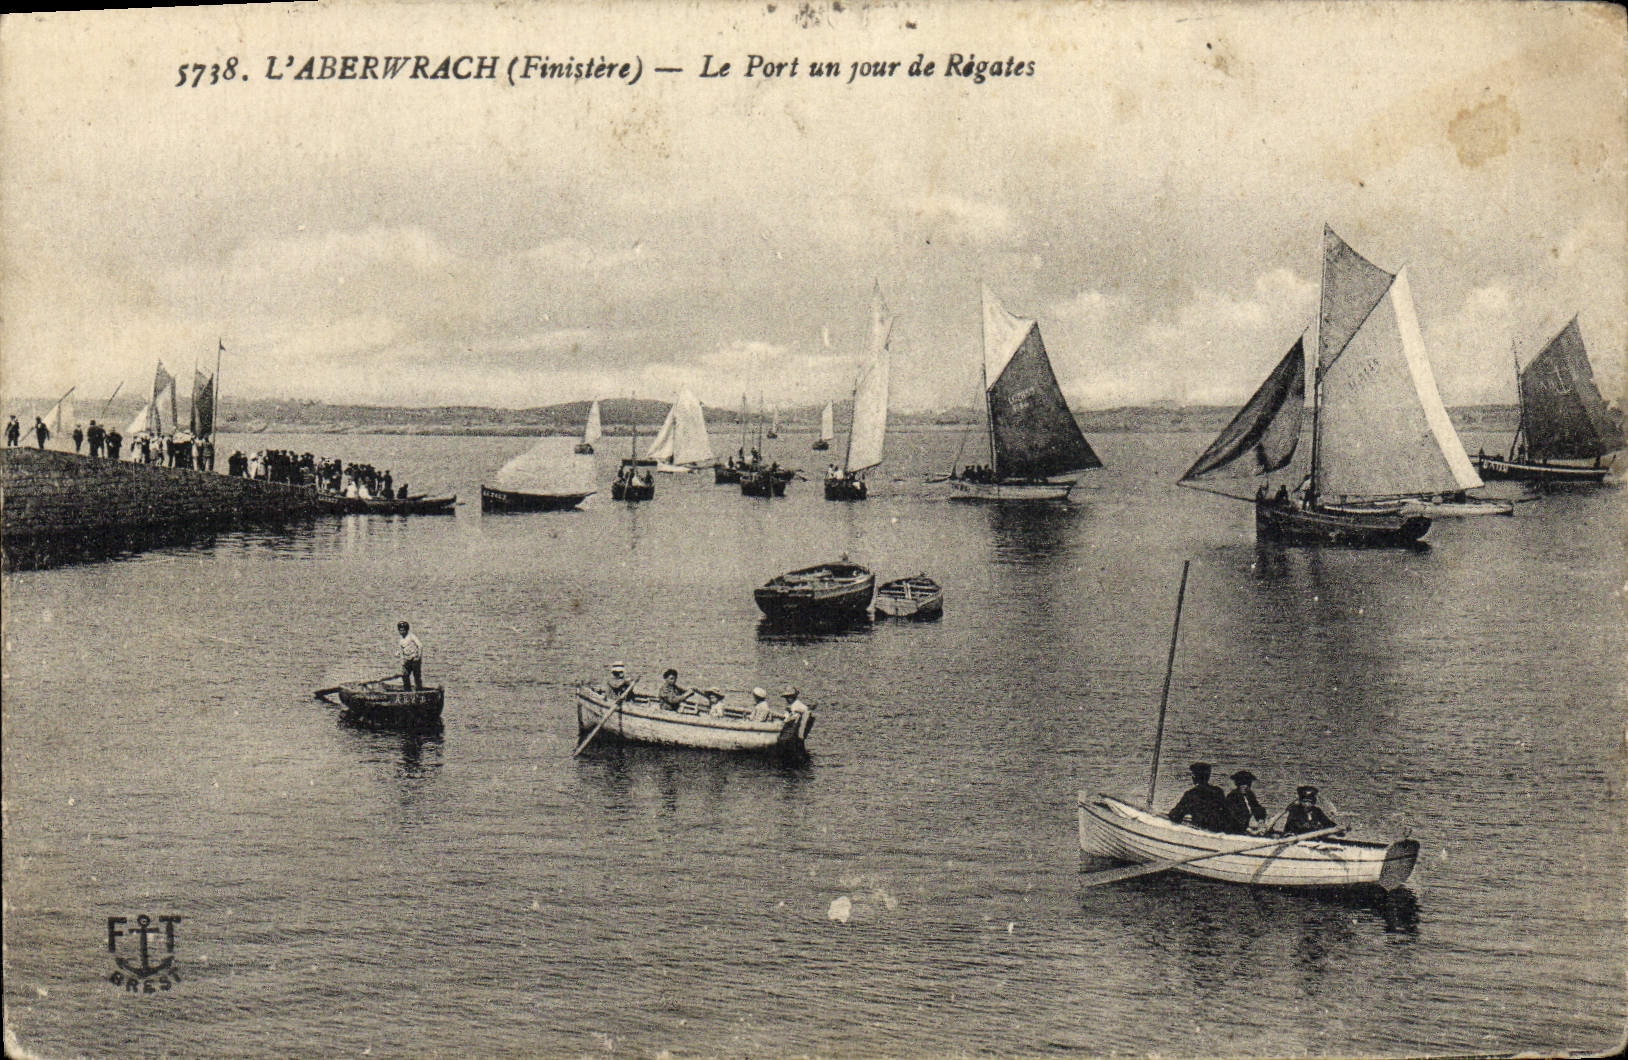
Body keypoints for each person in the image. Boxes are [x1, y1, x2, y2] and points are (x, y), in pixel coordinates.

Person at [1167, 762, 1230, 832]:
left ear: (1194, 777)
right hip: (1218, 831)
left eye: (1193, 774)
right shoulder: (1218, 791)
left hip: (1201, 833)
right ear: (1208, 776)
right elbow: (1226, 814)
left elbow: (1175, 816)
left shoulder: (1191, 794)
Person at [1225, 770, 1268, 834]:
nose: (1245, 786)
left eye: (1248, 784)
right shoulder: (1232, 797)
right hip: (1233, 829)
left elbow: (1257, 808)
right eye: (1242, 784)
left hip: (1244, 829)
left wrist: (1260, 820)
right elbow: (1234, 817)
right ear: (1237, 784)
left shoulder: (1250, 795)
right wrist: (1248, 829)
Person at [397, 621, 424, 691]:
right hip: (407, 660)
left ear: (406, 630)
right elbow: (401, 652)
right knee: (405, 675)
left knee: (416, 676)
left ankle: (419, 691)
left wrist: (419, 656)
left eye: (403, 630)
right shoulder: (401, 641)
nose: (402, 632)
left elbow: (420, 645)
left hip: (415, 659)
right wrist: (402, 662)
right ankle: (407, 691)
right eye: (400, 630)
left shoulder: (411, 636)